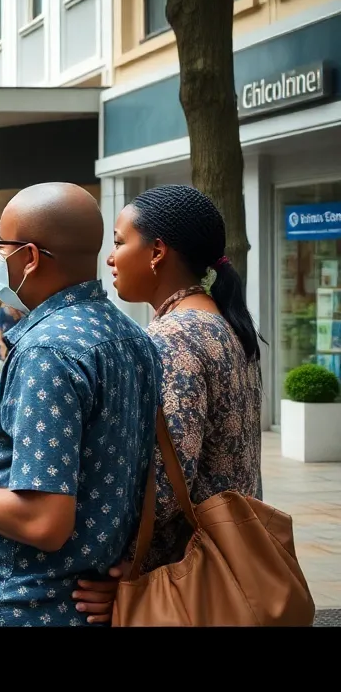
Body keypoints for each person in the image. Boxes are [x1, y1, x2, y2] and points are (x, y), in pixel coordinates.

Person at [0, 182, 160, 627]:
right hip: (90, 601)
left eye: (0, 246)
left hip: (28, 605)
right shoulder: (131, 336)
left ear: (31, 257)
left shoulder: (48, 353)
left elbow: (44, 523)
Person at [72, 185, 265, 623]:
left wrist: (125, 571)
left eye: (119, 242)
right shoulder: (221, 323)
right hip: (229, 563)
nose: (110, 258)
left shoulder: (173, 337)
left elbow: (161, 484)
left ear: (157, 251)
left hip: (184, 580)